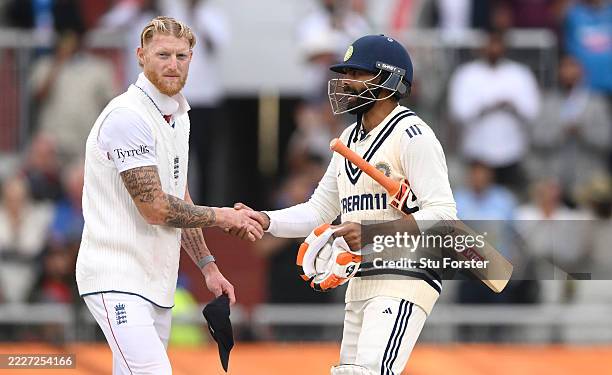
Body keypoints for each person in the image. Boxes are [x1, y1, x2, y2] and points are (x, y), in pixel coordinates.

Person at [236, 35, 457, 375]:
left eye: (358, 74)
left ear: (389, 81)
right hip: (360, 278)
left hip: (404, 275)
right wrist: (265, 219)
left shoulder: (413, 135)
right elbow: (316, 211)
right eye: (347, 74)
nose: (346, 83)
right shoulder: (350, 140)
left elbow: (443, 214)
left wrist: (369, 233)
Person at [75, 16, 264, 374]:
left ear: (192, 57)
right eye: (163, 55)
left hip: (155, 283)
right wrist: (223, 216)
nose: (173, 64)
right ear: (140, 56)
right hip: (116, 277)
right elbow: (155, 208)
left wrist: (208, 266)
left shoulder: (179, 113)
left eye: (181, 55)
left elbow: (180, 195)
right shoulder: (127, 116)